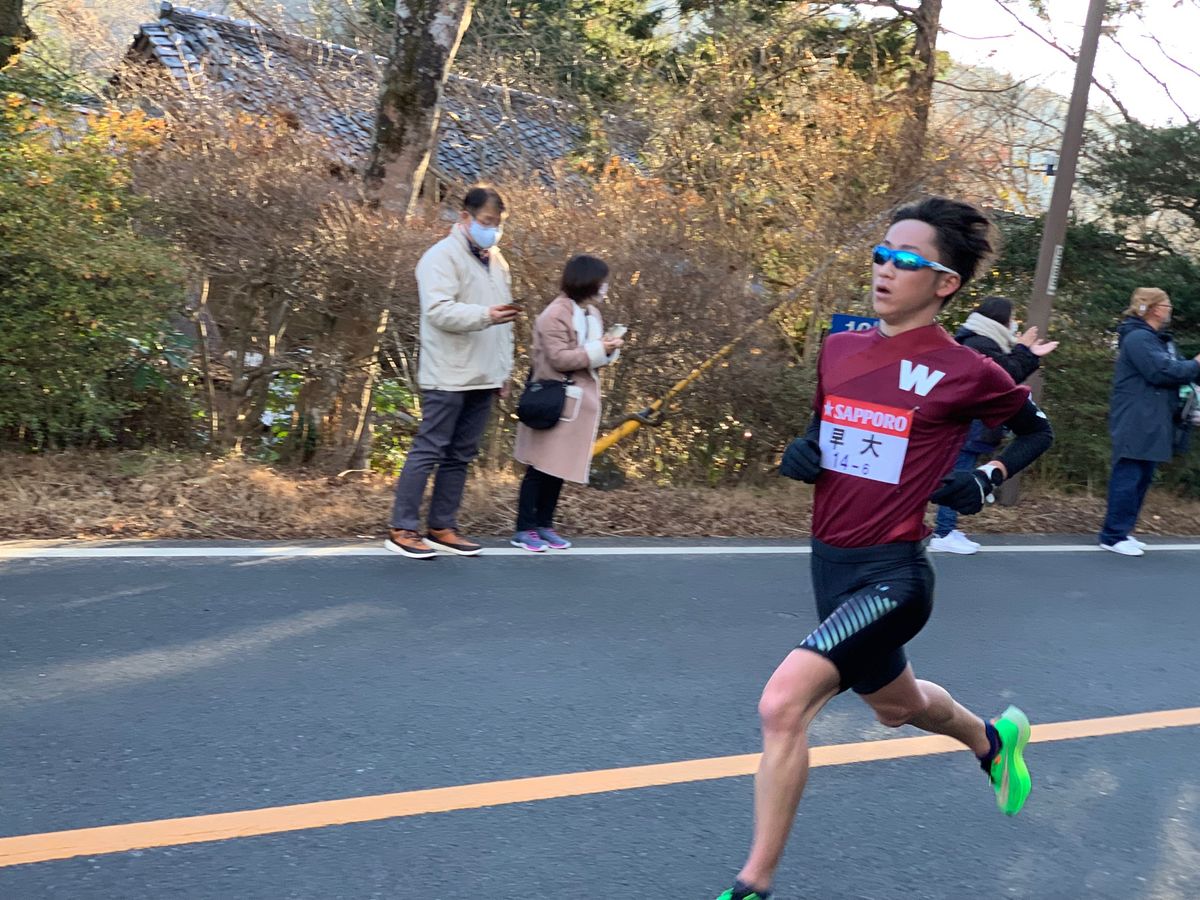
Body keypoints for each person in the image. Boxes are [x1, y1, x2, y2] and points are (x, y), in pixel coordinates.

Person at [714, 197, 1054, 900]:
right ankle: (995, 742)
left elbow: (1035, 433)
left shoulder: (968, 371)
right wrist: (802, 452)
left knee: (782, 706)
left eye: (906, 261)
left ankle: (754, 885)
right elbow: (824, 429)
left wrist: (985, 481)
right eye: (880, 254)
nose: (884, 269)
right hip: (828, 565)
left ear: (944, 284)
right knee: (896, 707)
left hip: (893, 576)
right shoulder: (840, 348)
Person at [385, 186, 520, 560]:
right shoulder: (440, 257)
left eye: (498, 224)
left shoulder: (497, 261)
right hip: (448, 371)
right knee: (429, 449)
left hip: (484, 374)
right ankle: (403, 528)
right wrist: (485, 316)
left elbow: (505, 322)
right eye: (487, 222)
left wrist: (504, 370)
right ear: (465, 218)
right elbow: (439, 311)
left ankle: (442, 526)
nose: (492, 230)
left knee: (461, 454)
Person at [510, 255, 624, 551]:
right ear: (587, 281)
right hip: (553, 399)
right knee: (540, 466)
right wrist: (600, 348)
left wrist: (608, 349)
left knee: (559, 466)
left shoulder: (591, 314)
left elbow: (592, 356)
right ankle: (524, 528)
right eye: (602, 281)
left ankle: (545, 524)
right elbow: (560, 358)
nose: (605, 287)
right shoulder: (554, 314)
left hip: (578, 401)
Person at [930, 296, 1059, 554]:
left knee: (959, 472)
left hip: (969, 425)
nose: (1014, 325)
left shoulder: (974, 339)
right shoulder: (980, 343)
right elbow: (1004, 376)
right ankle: (944, 531)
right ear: (1001, 319)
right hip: (969, 425)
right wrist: (1024, 351)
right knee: (960, 474)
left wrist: (1025, 353)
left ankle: (947, 528)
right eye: (1012, 319)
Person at [1098, 287, 1200, 557]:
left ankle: (1122, 531)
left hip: (1153, 416)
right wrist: (1197, 364)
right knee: (1129, 474)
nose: (1170, 310)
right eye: (1167, 305)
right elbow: (1161, 371)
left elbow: (1177, 373)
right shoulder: (1139, 337)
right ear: (1154, 308)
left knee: (1142, 476)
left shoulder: (1157, 340)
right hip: (1136, 416)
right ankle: (1112, 535)